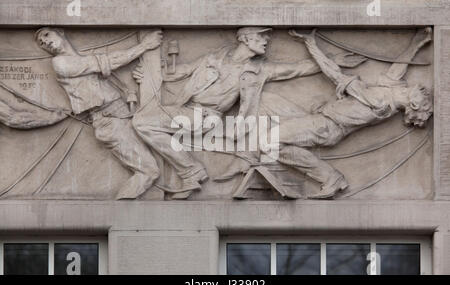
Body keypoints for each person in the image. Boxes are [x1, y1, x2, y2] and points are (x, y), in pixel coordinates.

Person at [132, 27, 333, 199]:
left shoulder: (258, 70)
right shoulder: (214, 58)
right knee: (142, 119)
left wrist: (330, 62)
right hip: (184, 109)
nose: (266, 40)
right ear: (245, 39)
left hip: (205, 117)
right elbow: (182, 71)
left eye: (266, 37)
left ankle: (190, 172)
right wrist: (150, 71)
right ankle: (190, 171)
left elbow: (297, 69)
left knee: (141, 122)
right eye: (261, 36)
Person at [268, 28, 433, 199]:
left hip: (325, 127)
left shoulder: (378, 101)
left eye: (423, 94)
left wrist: (311, 44)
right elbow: (398, 69)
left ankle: (330, 178)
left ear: (413, 103)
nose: (421, 88)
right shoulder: (392, 93)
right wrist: (417, 43)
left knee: (269, 141)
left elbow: (333, 73)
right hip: (322, 119)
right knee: (269, 111)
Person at [35, 27, 163, 200]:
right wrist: (145, 46)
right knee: (149, 170)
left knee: (159, 147)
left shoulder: (78, 59)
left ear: (60, 31)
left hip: (121, 113)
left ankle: (188, 176)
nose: (45, 42)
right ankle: (121, 209)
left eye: (47, 35)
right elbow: (110, 61)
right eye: (41, 43)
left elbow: (106, 81)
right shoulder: (61, 63)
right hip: (109, 122)